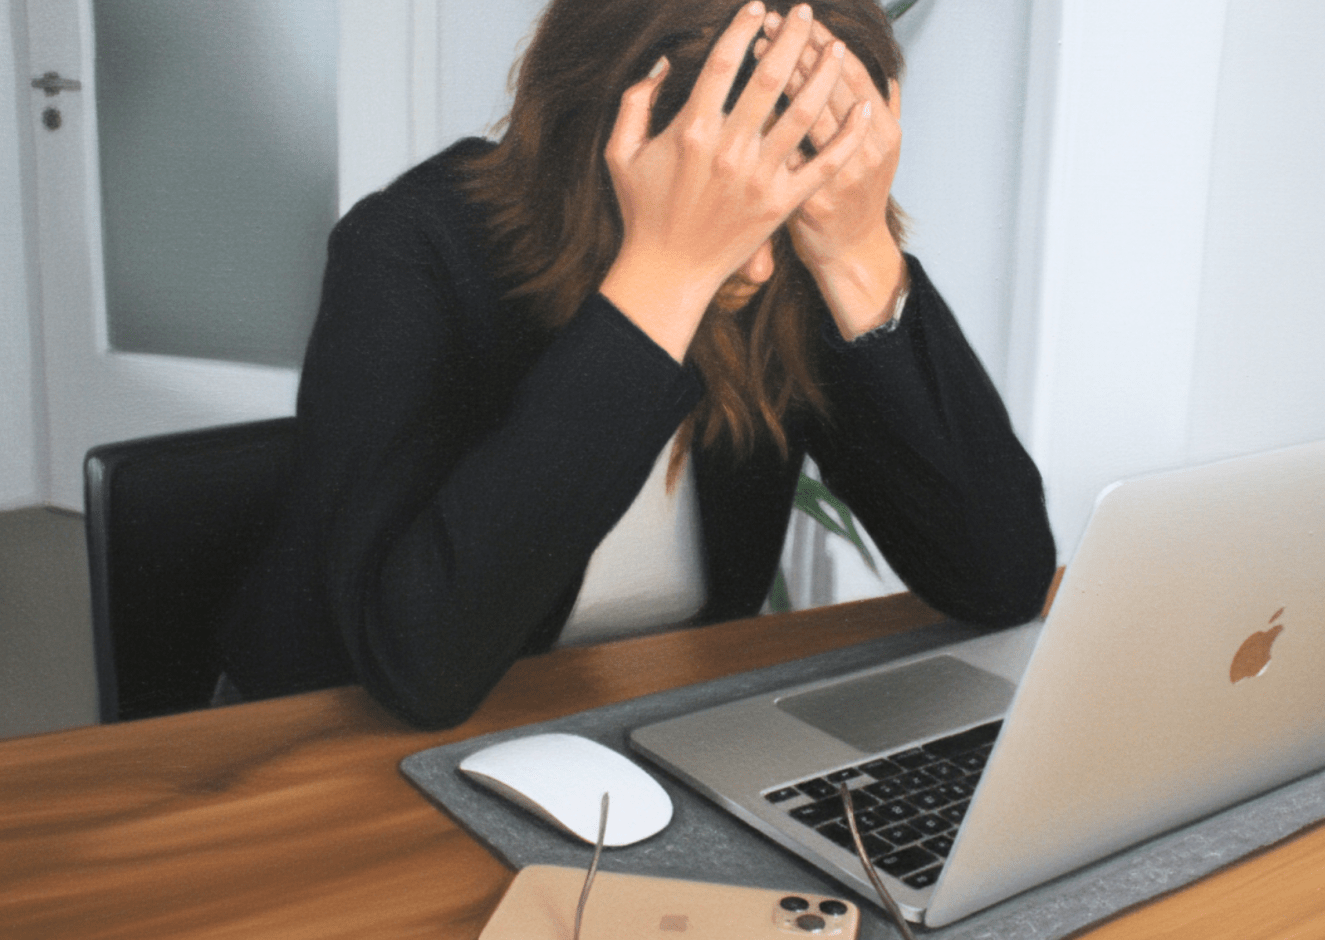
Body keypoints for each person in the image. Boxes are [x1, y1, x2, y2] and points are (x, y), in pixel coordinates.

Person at [217, 0, 1054, 729]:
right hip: (326, 745)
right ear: (606, 133)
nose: (761, 263)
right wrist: (666, 280)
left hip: (636, 724)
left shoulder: (796, 255)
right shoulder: (410, 246)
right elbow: (419, 665)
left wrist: (858, 252)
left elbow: (1002, 577)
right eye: (731, 189)